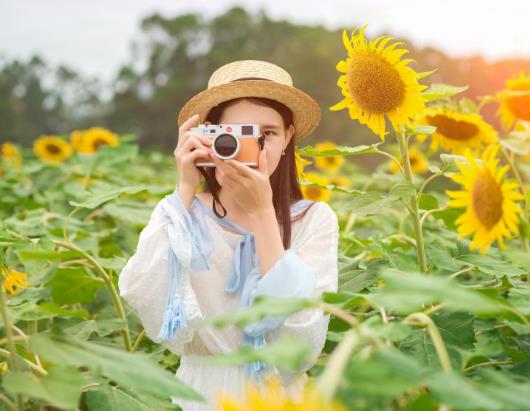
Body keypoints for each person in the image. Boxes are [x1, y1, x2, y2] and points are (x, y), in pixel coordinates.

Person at [118, 60, 339, 411]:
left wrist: (263, 212)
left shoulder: (314, 220)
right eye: (234, 135)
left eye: (266, 134)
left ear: (288, 138)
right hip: (200, 395)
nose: (253, 148)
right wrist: (185, 188)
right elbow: (144, 296)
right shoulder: (181, 215)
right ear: (210, 137)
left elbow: (302, 337)